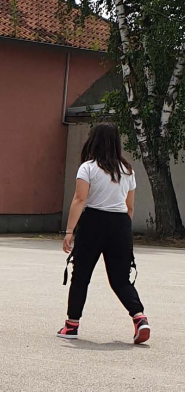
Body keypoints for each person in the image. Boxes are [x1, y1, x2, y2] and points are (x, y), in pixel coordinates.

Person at [57, 123, 149, 344]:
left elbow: (80, 199)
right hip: (120, 225)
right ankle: (139, 318)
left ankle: (72, 326)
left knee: (81, 276)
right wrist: (123, 232)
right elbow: (130, 208)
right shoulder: (128, 170)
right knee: (120, 279)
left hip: (93, 223)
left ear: (94, 141)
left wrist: (69, 231)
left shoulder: (88, 168)